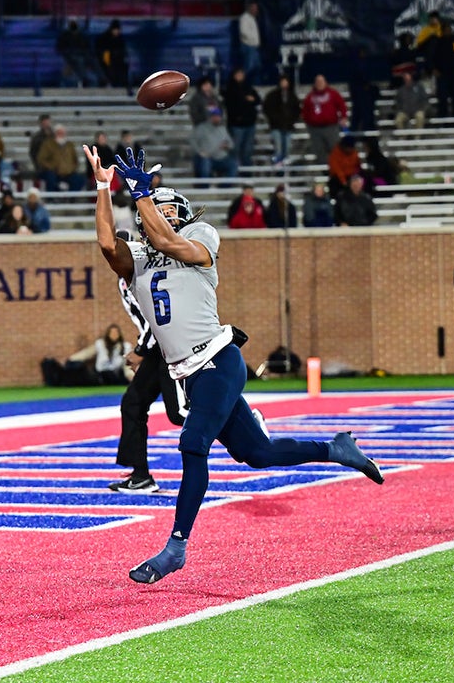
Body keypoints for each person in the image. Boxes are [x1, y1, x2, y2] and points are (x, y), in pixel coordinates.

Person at [84, 143, 384, 584]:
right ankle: (335, 449)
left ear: (182, 215)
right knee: (256, 453)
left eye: (169, 208)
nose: (161, 214)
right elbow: (108, 243)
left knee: (192, 444)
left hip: (218, 361)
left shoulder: (202, 236)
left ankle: (176, 547)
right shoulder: (141, 258)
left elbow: (170, 241)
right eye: (155, 208)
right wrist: (103, 187)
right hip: (187, 372)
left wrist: (144, 194)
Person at [109, 254, 188, 493]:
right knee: (133, 403)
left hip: (170, 345)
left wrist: (140, 351)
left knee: (180, 413)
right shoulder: (127, 277)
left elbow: (156, 318)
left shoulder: (141, 274)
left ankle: (240, 421)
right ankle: (140, 474)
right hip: (157, 346)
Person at [301, 74, 348, 164]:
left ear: (325, 82)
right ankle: (325, 169)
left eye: (321, 81)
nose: (319, 84)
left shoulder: (333, 94)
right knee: (319, 150)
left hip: (331, 127)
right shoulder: (310, 97)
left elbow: (341, 105)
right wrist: (308, 122)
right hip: (315, 129)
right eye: (317, 82)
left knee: (335, 148)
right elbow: (305, 111)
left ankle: (337, 168)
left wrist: (343, 117)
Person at [261, 74, 301, 167]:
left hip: (288, 126)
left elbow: (297, 110)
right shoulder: (271, 95)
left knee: (286, 148)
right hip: (276, 126)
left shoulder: (292, 96)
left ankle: (285, 169)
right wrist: (274, 119)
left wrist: (292, 120)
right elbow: (267, 108)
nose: (284, 84)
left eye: (286, 81)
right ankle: (278, 169)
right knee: (278, 148)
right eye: (282, 81)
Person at [191, 107, 237, 180]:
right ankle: (204, 187)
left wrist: (227, 146)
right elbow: (192, 140)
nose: (216, 118)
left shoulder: (222, 129)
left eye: (218, 116)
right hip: (208, 157)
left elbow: (231, 144)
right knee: (205, 165)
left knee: (233, 164)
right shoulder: (202, 128)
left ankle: (225, 187)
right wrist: (199, 152)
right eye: (214, 116)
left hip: (222, 157)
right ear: (210, 117)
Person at [36, 124, 85, 192]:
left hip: (68, 173)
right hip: (53, 172)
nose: (61, 134)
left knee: (80, 180)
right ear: (55, 133)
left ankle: (71, 198)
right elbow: (41, 159)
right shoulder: (47, 144)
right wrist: (51, 167)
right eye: (59, 132)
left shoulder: (69, 145)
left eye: (63, 133)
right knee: (50, 179)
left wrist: (72, 168)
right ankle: (52, 199)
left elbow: (75, 159)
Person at [430, 22, 454, 119]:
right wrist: (434, 69)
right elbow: (432, 57)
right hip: (441, 74)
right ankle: (442, 115)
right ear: (443, 31)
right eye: (447, 30)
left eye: (450, 30)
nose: (449, 32)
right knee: (442, 96)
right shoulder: (437, 42)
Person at [56, 20, 101, 87]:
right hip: (71, 58)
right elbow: (60, 48)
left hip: (83, 57)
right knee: (78, 61)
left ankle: (100, 80)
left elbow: (87, 48)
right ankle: (82, 80)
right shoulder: (64, 37)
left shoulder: (82, 37)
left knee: (92, 62)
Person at [96, 19, 129, 91]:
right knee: (108, 66)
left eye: (118, 30)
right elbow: (101, 51)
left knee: (124, 65)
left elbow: (123, 50)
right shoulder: (104, 37)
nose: (117, 32)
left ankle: (123, 84)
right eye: (115, 30)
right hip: (106, 59)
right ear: (112, 29)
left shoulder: (120, 39)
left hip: (117, 59)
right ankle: (108, 82)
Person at [327, 134, 361, 199]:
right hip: (338, 179)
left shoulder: (354, 153)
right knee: (334, 183)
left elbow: (357, 166)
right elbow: (337, 170)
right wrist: (344, 182)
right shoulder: (335, 154)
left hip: (352, 177)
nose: (350, 150)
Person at [237, 1, 262, 84]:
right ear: (249, 8)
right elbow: (244, 32)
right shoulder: (245, 18)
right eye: (254, 8)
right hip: (248, 45)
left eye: (256, 9)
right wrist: (252, 40)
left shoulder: (252, 18)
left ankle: (255, 83)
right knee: (249, 66)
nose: (255, 10)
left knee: (257, 66)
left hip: (254, 46)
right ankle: (241, 82)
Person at [28, 114, 54, 182]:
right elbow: (33, 153)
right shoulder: (36, 138)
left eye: (48, 122)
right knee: (51, 177)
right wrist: (39, 166)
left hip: (57, 167)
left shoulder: (55, 136)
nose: (46, 124)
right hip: (43, 168)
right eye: (44, 123)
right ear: (41, 124)